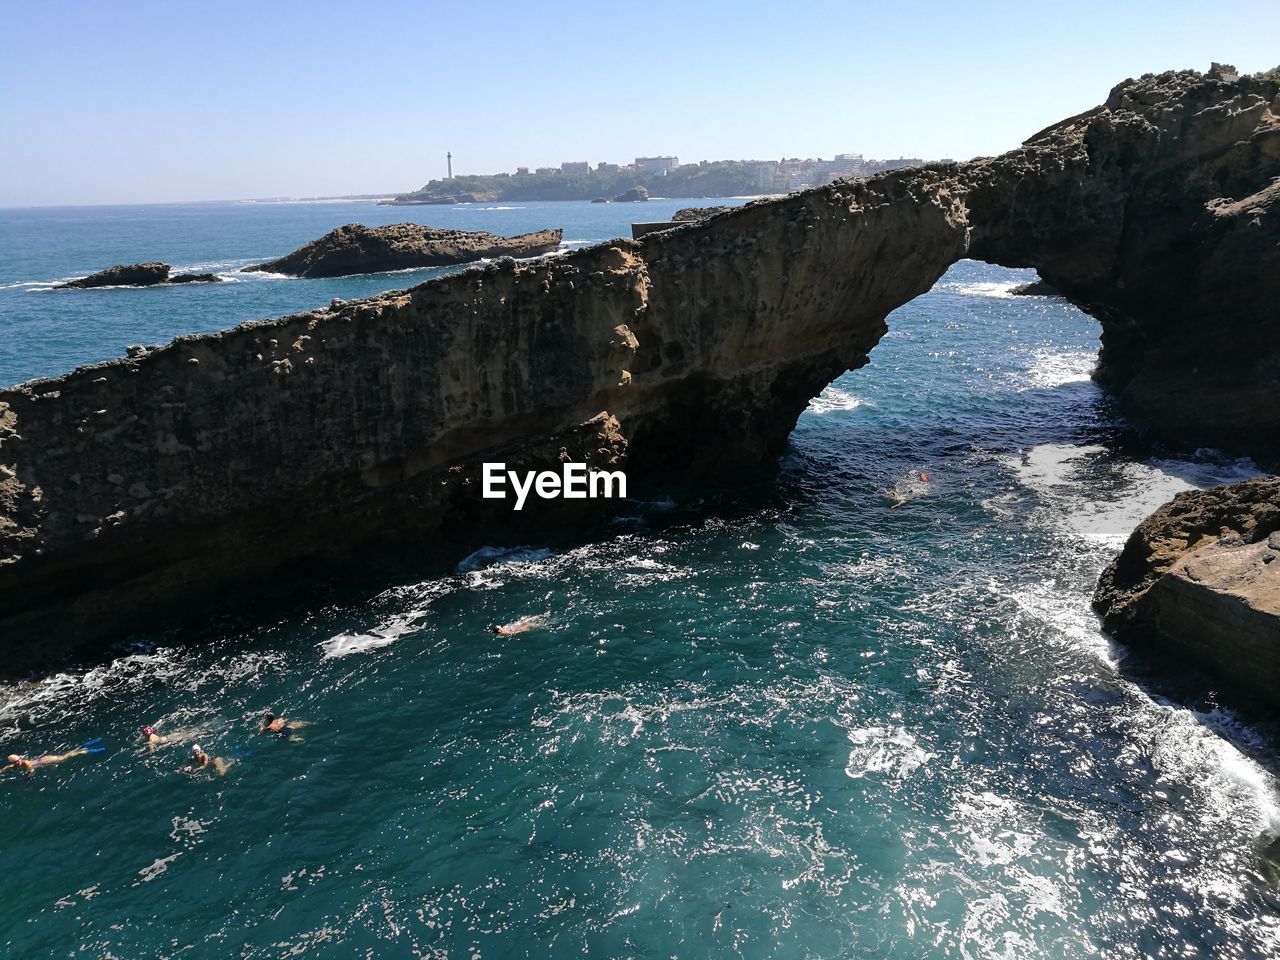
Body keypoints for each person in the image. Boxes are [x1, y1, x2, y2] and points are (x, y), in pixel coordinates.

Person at [4, 740, 102, 776]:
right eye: (15, 763)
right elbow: (8, 767)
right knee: (67, 755)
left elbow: (31, 770)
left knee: (66, 757)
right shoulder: (15, 765)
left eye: (18, 761)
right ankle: (84, 746)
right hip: (42, 759)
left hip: (47, 760)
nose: (18, 763)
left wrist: (28, 777)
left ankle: (87, 749)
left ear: (20, 759)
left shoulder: (26, 763)